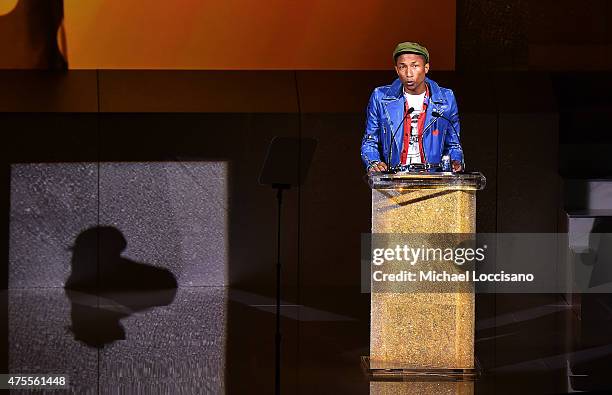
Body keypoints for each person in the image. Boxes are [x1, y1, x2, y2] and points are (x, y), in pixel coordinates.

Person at [361, 42, 464, 173]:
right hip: (395, 179)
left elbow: (454, 143)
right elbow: (370, 141)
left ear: (426, 68)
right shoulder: (380, 97)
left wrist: (455, 161)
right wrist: (373, 162)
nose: (409, 73)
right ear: (397, 70)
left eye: (415, 66)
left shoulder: (446, 99)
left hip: (433, 179)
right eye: (402, 67)